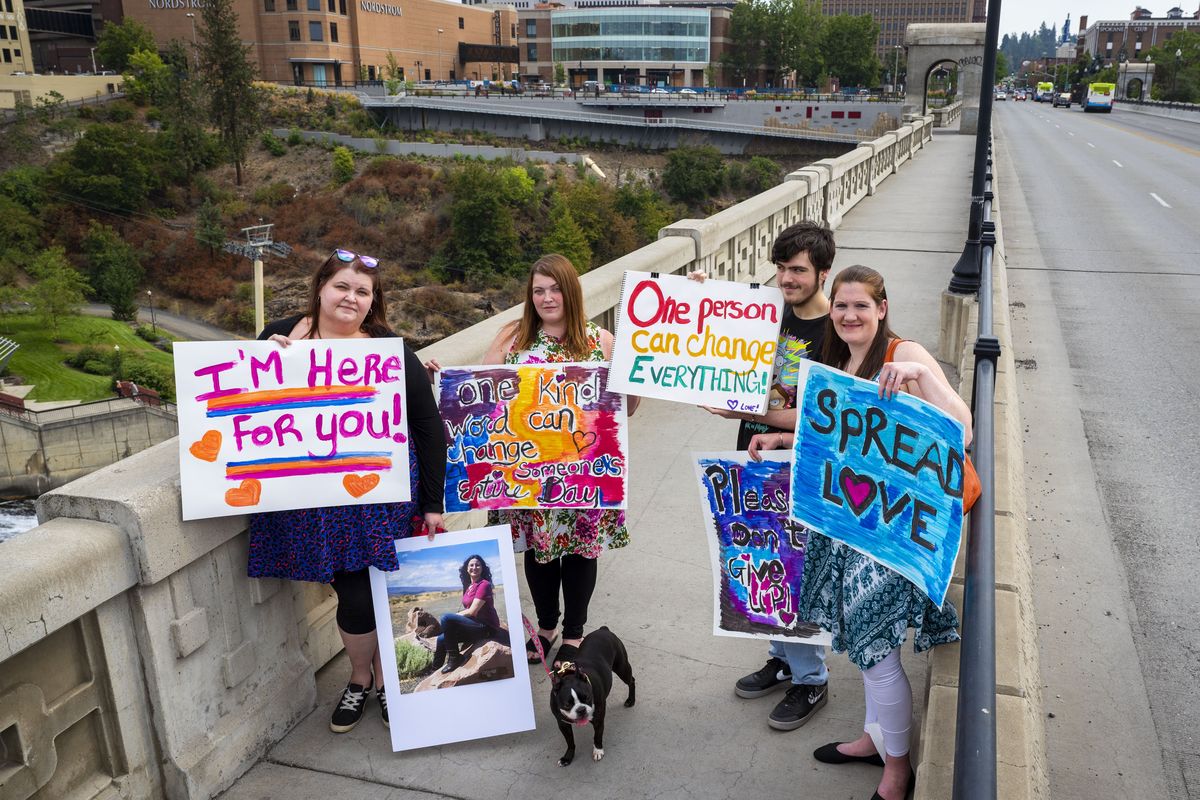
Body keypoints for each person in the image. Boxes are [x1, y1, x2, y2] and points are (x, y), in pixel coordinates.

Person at [749, 264, 970, 800]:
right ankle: (875, 740)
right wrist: (784, 443)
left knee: (876, 656)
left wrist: (920, 381)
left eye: (861, 306)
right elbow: (829, 436)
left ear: (882, 309)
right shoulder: (836, 360)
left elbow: (962, 428)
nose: (849, 315)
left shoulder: (903, 355)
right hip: (847, 524)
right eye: (842, 306)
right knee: (861, 648)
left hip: (889, 536)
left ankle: (897, 772)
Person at [249, 248, 447, 734]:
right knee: (355, 596)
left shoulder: (391, 351)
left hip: (381, 499)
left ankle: (381, 682)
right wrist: (265, 363)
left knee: (373, 591)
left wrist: (433, 504)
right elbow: (246, 411)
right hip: (316, 503)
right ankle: (363, 678)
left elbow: (427, 427)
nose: (350, 297)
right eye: (342, 286)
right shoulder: (280, 336)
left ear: (372, 302)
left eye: (363, 291)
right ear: (320, 288)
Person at [430, 254, 639, 669]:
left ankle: (575, 633)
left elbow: (627, 408)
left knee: (581, 552)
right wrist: (445, 383)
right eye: (538, 290)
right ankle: (546, 628)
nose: (547, 297)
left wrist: (632, 372)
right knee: (539, 554)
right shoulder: (514, 339)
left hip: (583, 474)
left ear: (572, 292)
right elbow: (481, 393)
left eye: (555, 288)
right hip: (527, 472)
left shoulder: (602, 342)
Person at [691, 220, 834, 732]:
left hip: (799, 460)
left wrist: (753, 416)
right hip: (749, 457)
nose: (786, 279)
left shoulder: (836, 333)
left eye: (798, 270)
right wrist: (700, 298)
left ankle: (811, 678)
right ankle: (782, 656)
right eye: (781, 268)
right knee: (759, 558)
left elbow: (823, 415)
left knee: (797, 568)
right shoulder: (768, 312)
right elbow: (715, 332)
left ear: (823, 271)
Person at [431, 554, 511, 673]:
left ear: (482, 568)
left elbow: (472, 611)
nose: (474, 567)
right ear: (467, 569)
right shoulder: (469, 586)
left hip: (486, 627)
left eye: (477, 565)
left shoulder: (484, 585)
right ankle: (435, 669)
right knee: (441, 639)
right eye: (471, 565)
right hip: (474, 625)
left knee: (446, 618)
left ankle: (454, 658)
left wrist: (453, 618)